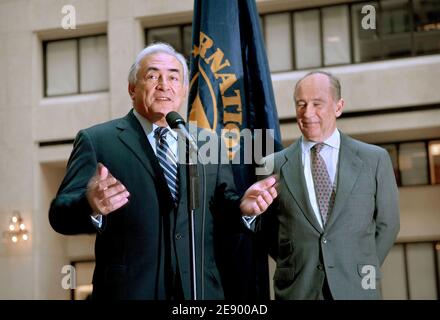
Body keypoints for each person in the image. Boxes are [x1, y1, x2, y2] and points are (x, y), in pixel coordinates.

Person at [49, 42, 252, 300]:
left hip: (199, 294)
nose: (164, 84)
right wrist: (89, 203)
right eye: (153, 75)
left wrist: (243, 208)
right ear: (133, 89)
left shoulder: (206, 142)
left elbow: (222, 209)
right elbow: (59, 214)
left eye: (173, 77)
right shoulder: (97, 140)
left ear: (182, 90)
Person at [240, 71, 400, 299]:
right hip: (297, 290)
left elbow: (388, 224)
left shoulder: (374, 159)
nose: (307, 113)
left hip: (357, 289)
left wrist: (360, 267)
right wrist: (296, 262)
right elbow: (265, 231)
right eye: (301, 104)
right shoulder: (270, 165)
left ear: (338, 107)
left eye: (317, 104)